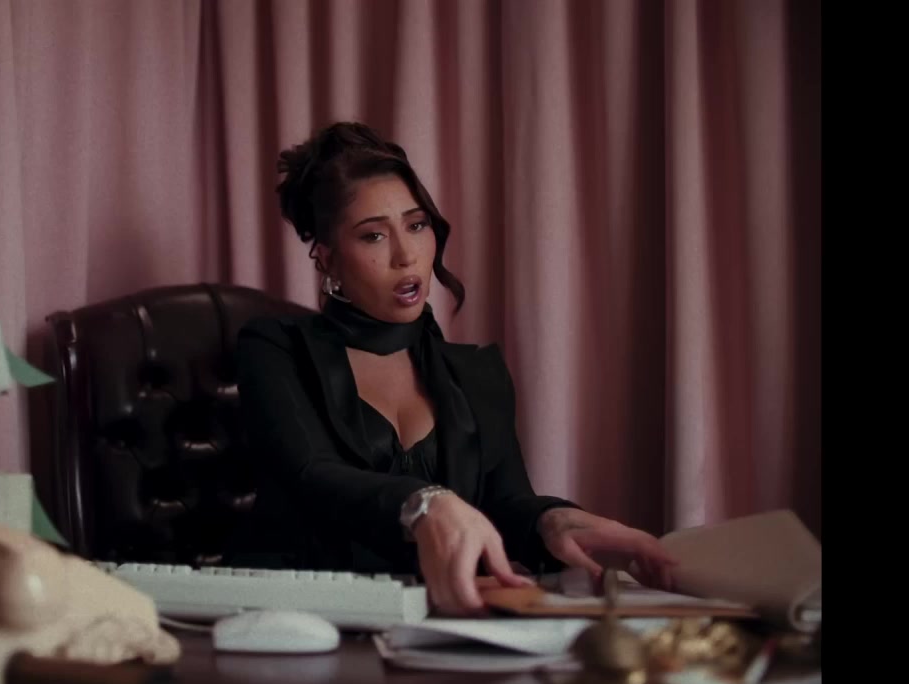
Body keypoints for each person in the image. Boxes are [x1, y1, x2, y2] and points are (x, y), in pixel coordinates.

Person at [230, 121, 674, 615]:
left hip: (441, 625)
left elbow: (505, 505)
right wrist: (425, 502)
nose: (406, 256)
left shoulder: (477, 373)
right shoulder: (274, 347)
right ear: (328, 260)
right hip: (299, 621)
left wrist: (553, 520)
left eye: (416, 225)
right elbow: (311, 475)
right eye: (373, 235)